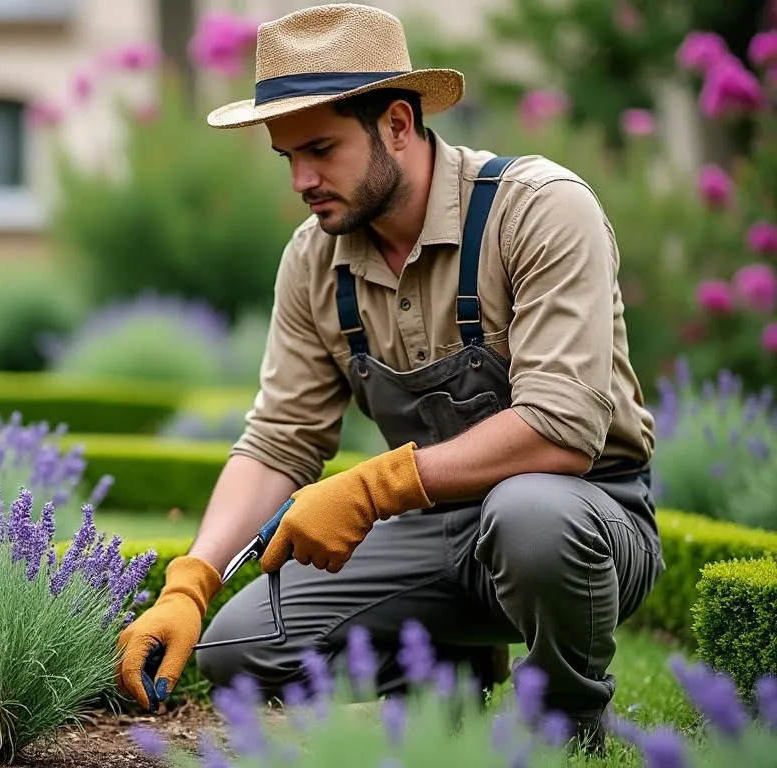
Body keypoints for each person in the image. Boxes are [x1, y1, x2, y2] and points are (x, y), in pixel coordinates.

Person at [113, 2, 665, 753]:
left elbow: (563, 430)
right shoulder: (314, 260)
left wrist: (373, 488)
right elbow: (279, 441)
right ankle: (447, 678)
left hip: (587, 519)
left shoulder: (538, 210)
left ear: (398, 125)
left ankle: (568, 722)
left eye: (321, 149)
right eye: (287, 158)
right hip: (437, 529)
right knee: (234, 651)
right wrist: (193, 582)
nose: (302, 180)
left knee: (531, 517)